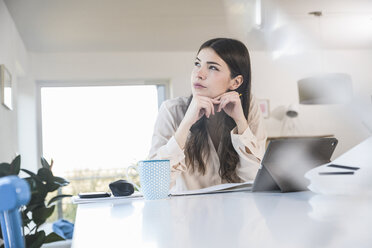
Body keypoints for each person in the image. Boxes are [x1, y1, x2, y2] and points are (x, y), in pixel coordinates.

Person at [148, 38, 267, 192]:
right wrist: (186, 124)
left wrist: (241, 122)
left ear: (235, 82)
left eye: (212, 67)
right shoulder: (171, 110)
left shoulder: (248, 108)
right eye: (197, 64)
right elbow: (153, 187)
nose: (199, 74)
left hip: (238, 212)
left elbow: (254, 181)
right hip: (187, 214)